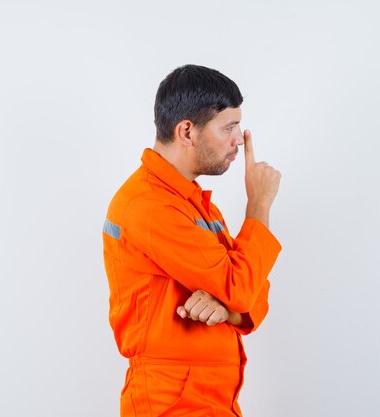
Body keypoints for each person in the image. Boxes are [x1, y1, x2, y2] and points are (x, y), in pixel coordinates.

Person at [102, 64, 282, 417]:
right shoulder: (151, 205)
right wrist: (258, 204)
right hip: (172, 402)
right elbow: (242, 285)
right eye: (228, 127)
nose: (239, 140)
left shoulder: (192, 203)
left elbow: (252, 291)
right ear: (187, 131)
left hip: (210, 399)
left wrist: (229, 308)